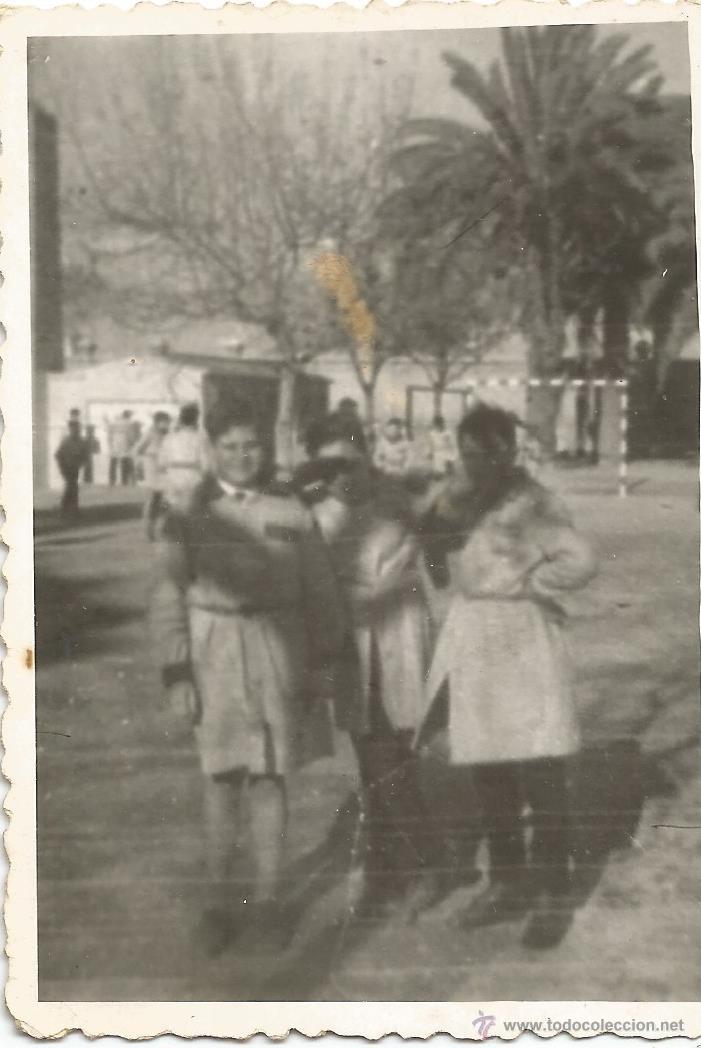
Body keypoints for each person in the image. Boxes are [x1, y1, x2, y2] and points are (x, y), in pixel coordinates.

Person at [151, 403, 346, 956]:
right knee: (220, 779)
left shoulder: (292, 512)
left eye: (252, 446)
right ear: (212, 450)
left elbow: (322, 594)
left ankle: (267, 901)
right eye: (231, 446)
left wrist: (324, 663)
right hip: (213, 651)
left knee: (268, 776)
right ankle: (217, 902)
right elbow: (167, 595)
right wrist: (176, 670)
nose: (242, 456)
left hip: (276, 651)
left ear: (268, 448)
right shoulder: (186, 515)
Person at [418, 403, 597, 949]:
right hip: (475, 637)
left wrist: (534, 586)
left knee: (538, 767)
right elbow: (430, 556)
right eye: (469, 453)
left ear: (510, 451)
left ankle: (550, 892)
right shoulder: (455, 497)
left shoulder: (534, 502)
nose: (479, 463)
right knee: (488, 767)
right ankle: (507, 882)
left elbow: (582, 561)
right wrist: (444, 515)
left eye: (490, 452)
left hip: (522, 637)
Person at [301, 414, 434, 915]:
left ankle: (402, 861)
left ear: (367, 456)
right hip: (350, 644)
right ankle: (403, 862)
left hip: (399, 636)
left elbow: (417, 563)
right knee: (373, 751)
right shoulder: (315, 517)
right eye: (330, 466)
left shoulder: (399, 503)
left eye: (351, 462)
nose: (344, 476)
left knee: (391, 748)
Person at [157, 402, 206, 512]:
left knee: (174, 514)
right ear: (196, 419)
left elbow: (161, 463)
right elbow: (206, 465)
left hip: (173, 479)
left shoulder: (169, 438)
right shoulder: (201, 439)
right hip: (193, 480)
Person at [135, 411, 171, 541]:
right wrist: (141, 463)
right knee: (152, 500)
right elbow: (137, 449)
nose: (167, 424)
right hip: (152, 469)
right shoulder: (150, 433)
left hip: (165, 469)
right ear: (157, 422)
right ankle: (148, 530)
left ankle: (165, 530)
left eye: (168, 422)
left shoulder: (169, 435)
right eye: (165, 422)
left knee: (167, 500)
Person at [55, 418, 89, 519]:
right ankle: (68, 510)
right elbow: (58, 454)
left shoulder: (81, 441)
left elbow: (85, 454)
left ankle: (70, 510)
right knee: (71, 487)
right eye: (74, 428)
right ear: (70, 429)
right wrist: (62, 467)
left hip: (75, 467)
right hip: (67, 468)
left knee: (72, 488)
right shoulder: (66, 441)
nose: (76, 430)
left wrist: (81, 462)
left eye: (78, 428)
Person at [107, 409, 139, 486]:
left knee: (113, 461)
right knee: (125, 461)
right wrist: (132, 444)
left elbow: (109, 434)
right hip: (124, 440)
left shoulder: (114, 422)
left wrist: (110, 444)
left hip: (115, 441)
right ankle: (124, 480)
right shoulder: (130, 423)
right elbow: (131, 435)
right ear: (128, 415)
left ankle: (112, 480)